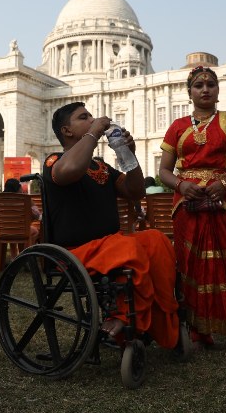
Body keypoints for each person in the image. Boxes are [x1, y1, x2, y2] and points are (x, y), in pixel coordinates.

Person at [44, 102, 180, 349]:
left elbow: (135, 190)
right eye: (83, 117)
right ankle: (120, 316)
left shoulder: (102, 167)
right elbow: (72, 170)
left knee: (155, 240)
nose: (92, 119)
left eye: (91, 117)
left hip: (111, 246)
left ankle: (163, 318)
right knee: (128, 248)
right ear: (67, 131)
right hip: (75, 252)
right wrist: (94, 132)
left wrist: (130, 155)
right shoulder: (55, 160)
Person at [158, 65, 226, 351]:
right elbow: (164, 171)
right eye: (198, 85)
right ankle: (199, 333)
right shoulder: (178, 127)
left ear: (218, 90)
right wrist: (182, 186)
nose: (205, 89)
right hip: (188, 203)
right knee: (192, 265)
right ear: (189, 92)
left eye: (210, 84)